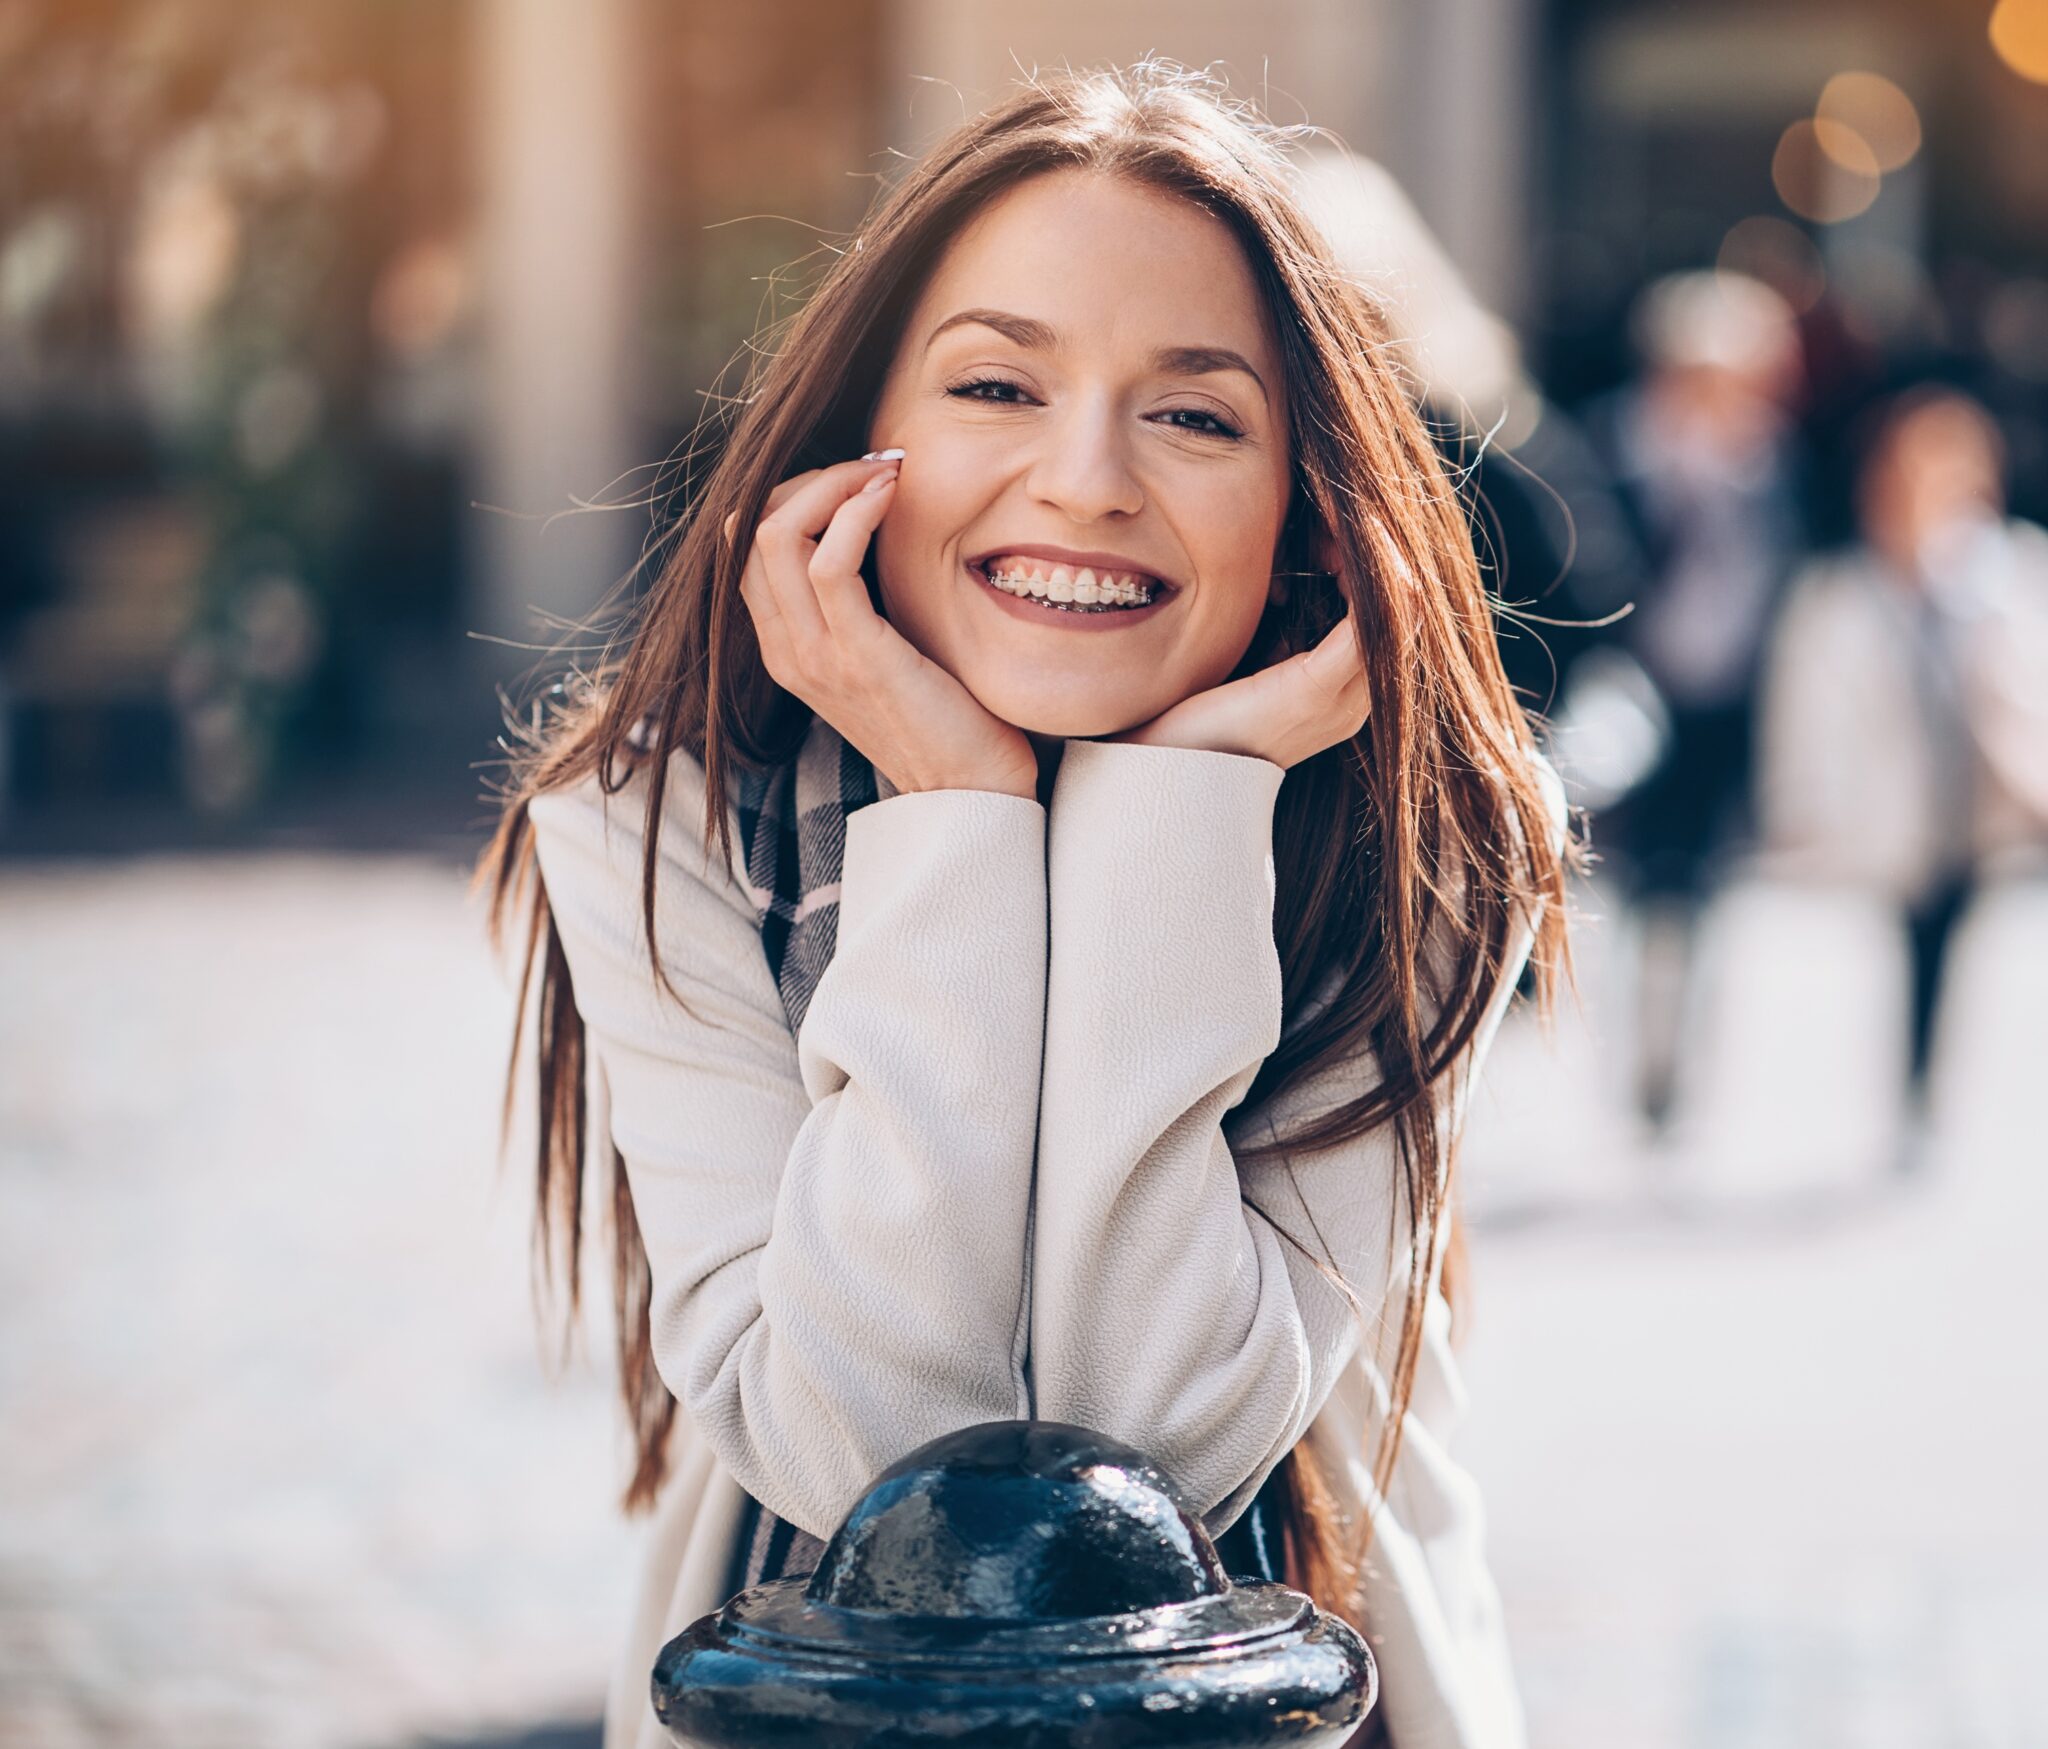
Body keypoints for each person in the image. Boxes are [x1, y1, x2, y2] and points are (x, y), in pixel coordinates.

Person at [473, 61, 1572, 1749]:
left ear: (1304, 512)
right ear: (861, 445)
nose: (1083, 480)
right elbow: (874, 1464)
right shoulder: (653, 832)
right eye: (997, 384)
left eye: (1195, 414)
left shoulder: (1419, 852)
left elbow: (1165, 1444)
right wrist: (956, 807)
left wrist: (1178, 815)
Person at [1757, 383, 2048, 1155]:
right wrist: (1800, 807)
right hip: (1894, 802)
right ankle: (1910, 1087)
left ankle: (1923, 1083)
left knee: (1947, 940)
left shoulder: (2005, 570)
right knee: (1910, 936)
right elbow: (1807, 709)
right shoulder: (1845, 584)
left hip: (1977, 798)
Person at [1582, 270, 1810, 1129]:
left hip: (1729, 700)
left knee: (1703, 885)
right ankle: (1637, 1046)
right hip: (1638, 693)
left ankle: (1676, 1057)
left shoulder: (1772, 461)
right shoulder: (1620, 446)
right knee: (1637, 879)